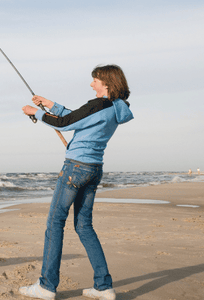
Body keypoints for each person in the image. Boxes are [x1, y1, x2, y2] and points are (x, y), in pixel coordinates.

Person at [19, 64, 134, 300]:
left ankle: (46, 286)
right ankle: (104, 287)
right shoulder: (113, 108)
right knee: (84, 226)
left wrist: (37, 113)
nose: (92, 84)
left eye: (95, 80)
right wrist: (51, 105)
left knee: (55, 223)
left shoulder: (98, 105)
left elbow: (66, 123)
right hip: (94, 170)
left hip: (75, 169)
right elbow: (77, 117)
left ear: (107, 84)